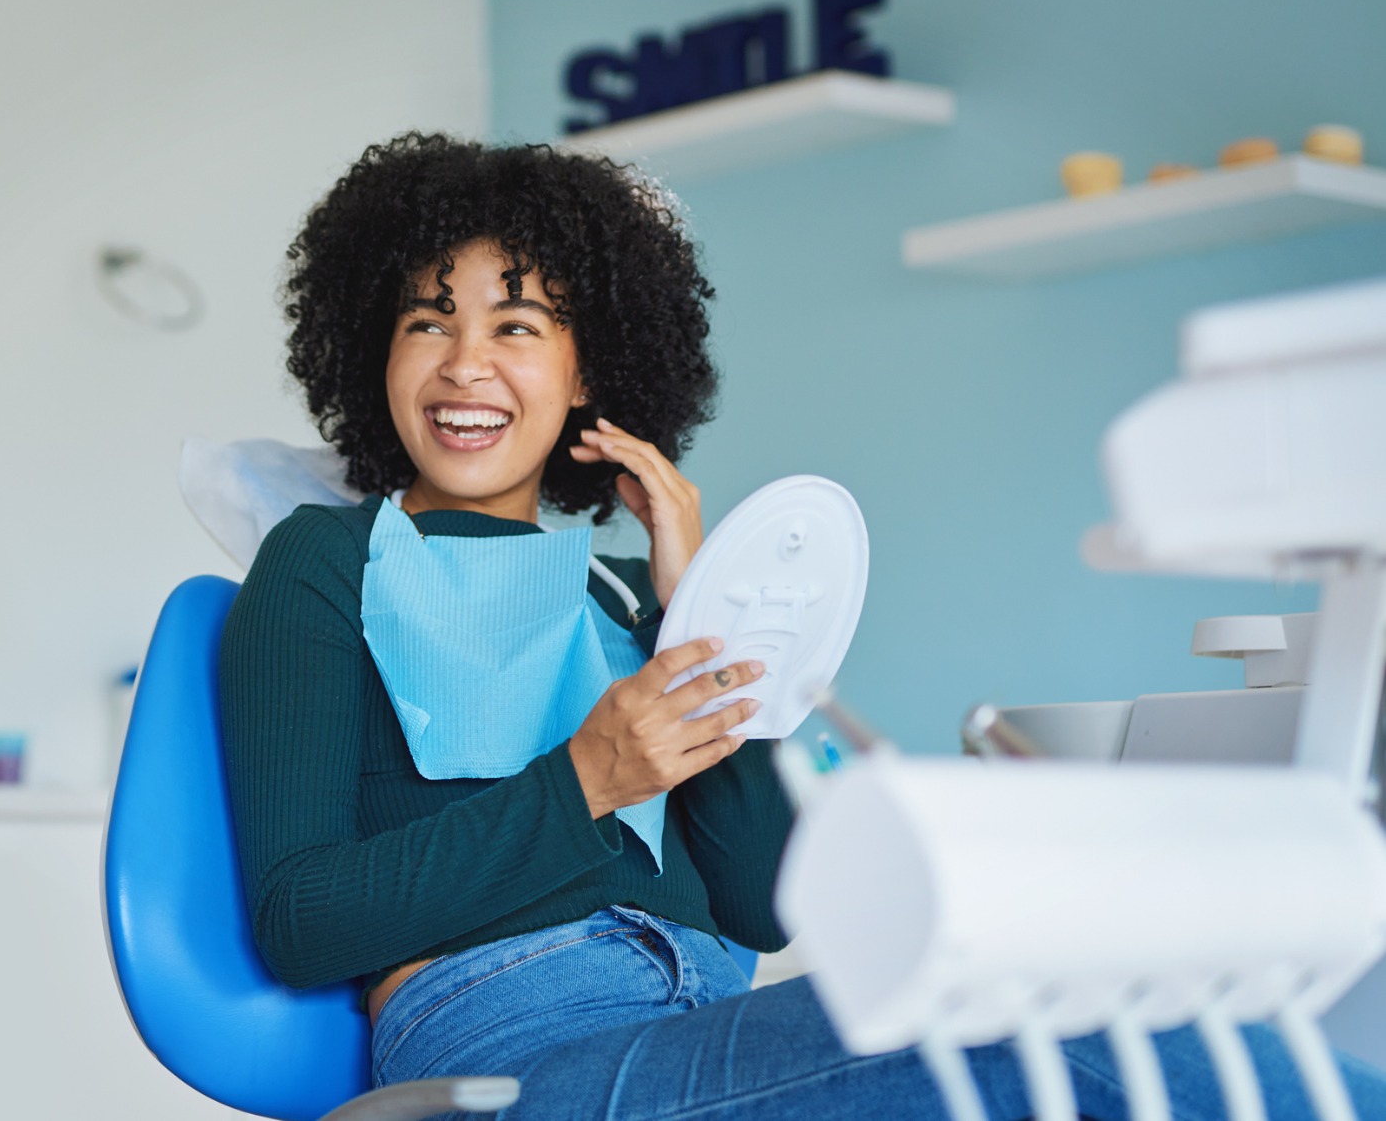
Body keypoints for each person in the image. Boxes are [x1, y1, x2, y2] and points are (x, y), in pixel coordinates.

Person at [219, 132, 1386, 1119]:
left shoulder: (626, 596)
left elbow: (763, 903)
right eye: (427, 323)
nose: (465, 362)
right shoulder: (325, 565)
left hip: (697, 1022)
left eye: (519, 327)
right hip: (512, 1055)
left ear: (587, 372)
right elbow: (300, 921)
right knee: (1036, 1037)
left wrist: (707, 614)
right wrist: (584, 778)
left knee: (1123, 1011)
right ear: (374, 350)